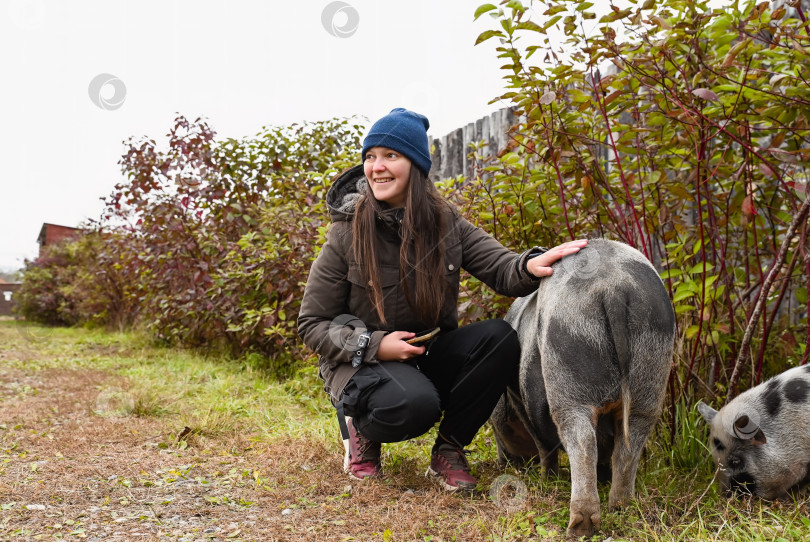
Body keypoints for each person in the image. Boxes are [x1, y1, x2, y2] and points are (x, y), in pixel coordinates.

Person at [297, 107, 587, 491]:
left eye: (390, 156)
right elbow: (312, 323)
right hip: (363, 363)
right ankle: (359, 428)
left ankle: (449, 451)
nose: (376, 167)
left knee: (499, 338)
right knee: (414, 405)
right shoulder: (346, 233)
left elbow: (501, 267)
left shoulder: (446, 222)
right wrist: (376, 345)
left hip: (424, 353)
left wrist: (532, 265)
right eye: (370, 156)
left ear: (415, 166)